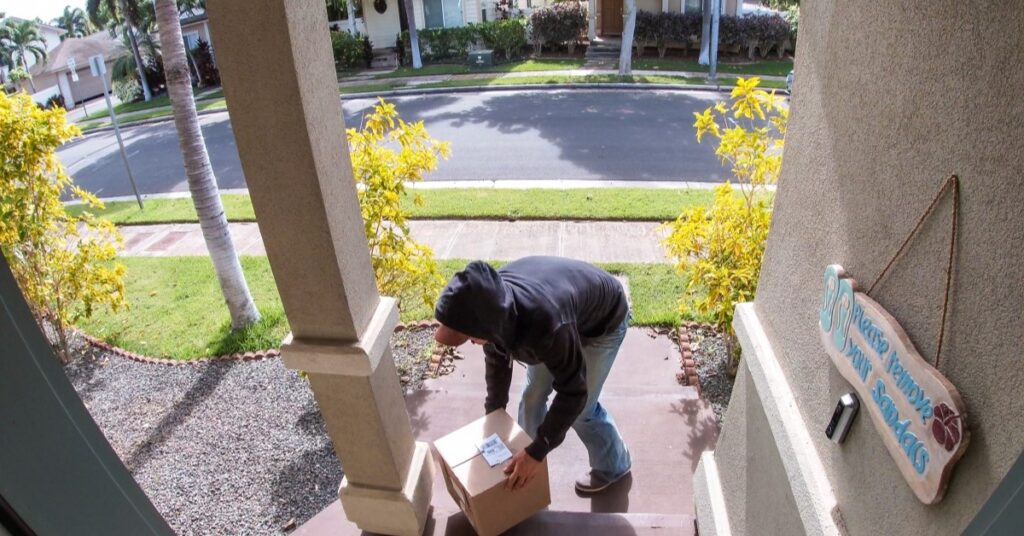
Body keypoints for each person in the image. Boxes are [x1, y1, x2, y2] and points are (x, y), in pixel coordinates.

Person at [433, 256, 632, 494]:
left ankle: (614, 466)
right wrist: (494, 415)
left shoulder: (544, 326)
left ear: (487, 327)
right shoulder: (492, 305)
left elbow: (573, 392)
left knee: (582, 411)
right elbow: (498, 361)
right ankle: (525, 471)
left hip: (604, 322)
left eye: (470, 336)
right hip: (562, 316)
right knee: (532, 397)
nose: (472, 342)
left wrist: (538, 451)